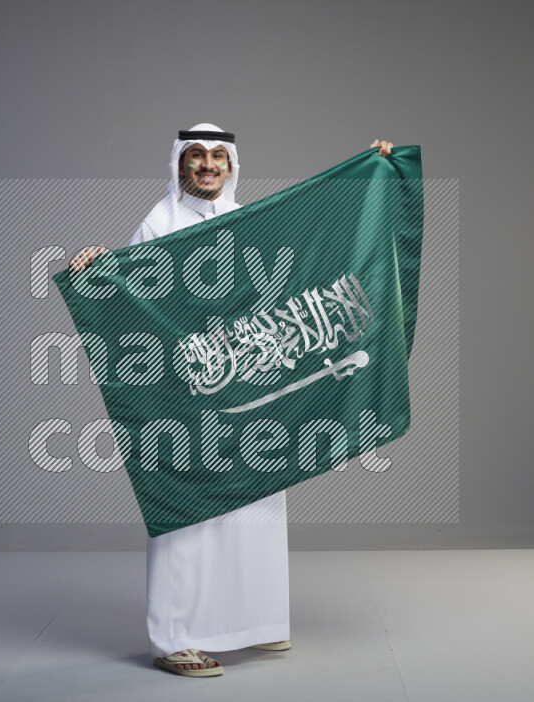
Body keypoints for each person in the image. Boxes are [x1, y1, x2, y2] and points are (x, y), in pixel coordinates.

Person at [69, 125, 394, 677]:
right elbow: (131, 302)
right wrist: (97, 268)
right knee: (186, 519)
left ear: (231, 164)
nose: (207, 166)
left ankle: (253, 624)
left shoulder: (249, 222)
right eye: (196, 156)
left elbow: (315, 235)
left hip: (253, 389)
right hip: (188, 398)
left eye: (218, 157)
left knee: (256, 505)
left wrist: (367, 175)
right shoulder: (158, 223)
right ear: (178, 165)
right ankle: (172, 639)